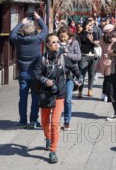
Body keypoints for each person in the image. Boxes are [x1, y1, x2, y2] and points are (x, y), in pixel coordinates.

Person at [33, 33, 83, 164]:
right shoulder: (41, 59)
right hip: (45, 93)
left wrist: (80, 76)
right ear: (48, 45)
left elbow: (74, 67)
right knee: (44, 122)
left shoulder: (63, 58)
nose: (57, 44)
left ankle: (53, 151)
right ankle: (48, 137)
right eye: (54, 42)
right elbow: (36, 74)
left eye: (58, 42)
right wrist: (44, 80)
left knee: (55, 123)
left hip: (59, 93)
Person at [9, 11, 48, 129]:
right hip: (36, 72)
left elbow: (12, 34)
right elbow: (45, 29)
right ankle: (33, 120)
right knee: (35, 97)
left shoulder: (18, 40)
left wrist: (21, 23)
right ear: (34, 31)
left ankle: (22, 121)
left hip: (23, 72)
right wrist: (39, 18)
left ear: (23, 31)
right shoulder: (37, 39)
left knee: (23, 98)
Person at [57, 26, 81, 131]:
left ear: (69, 36)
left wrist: (67, 54)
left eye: (64, 37)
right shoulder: (55, 43)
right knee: (57, 100)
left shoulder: (74, 43)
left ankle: (67, 122)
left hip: (70, 74)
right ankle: (56, 121)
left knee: (68, 100)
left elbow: (78, 57)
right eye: (61, 37)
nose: (63, 39)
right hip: (58, 75)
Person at [77, 18, 99, 98]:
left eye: (92, 25)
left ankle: (90, 90)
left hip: (93, 55)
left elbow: (96, 41)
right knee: (82, 74)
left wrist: (96, 43)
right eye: (90, 25)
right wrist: (86, 31)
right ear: (85, 26)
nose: (91, 27)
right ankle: (80, 91)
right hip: (84, 55)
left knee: (91, 74)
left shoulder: (94, 33)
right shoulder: (81, 34)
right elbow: (82, 40)